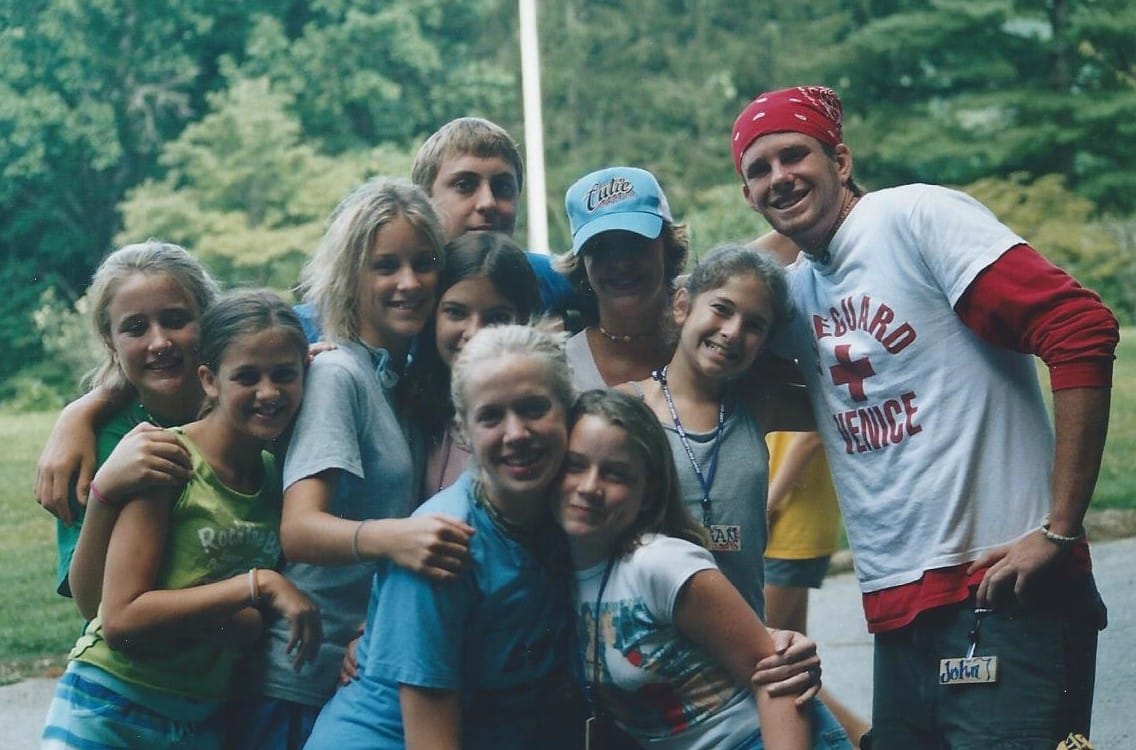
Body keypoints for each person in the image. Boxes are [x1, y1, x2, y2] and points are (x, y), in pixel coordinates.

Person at [731, 85, 1119, 748]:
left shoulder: (913, 218)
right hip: (897, 611)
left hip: (1003, 590)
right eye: (758, 171)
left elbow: (1078, 328)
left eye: (795, 155)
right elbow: (697, 310)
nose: (779, 177)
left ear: (842, 160)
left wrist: (1060, 528)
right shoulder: (795, 294)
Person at [226, 179, 475, 749]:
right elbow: (302, 527)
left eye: (423, 263)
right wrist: (398, 538)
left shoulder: (398, 381)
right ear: (351, 276)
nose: (408, 282)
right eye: (385, 266)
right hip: (294, 681)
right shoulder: (340, 375)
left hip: (360, 672)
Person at [41, 289, 322, 749]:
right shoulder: (168, 460)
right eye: (247, 376)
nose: (268, 392)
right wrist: (257, 586)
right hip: (113, 705)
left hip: (199, 717)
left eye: (284, 375)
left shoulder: (277, 476)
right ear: (209, 380)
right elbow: (121, 618)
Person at [304, 324, 580, 750]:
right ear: (464, 431)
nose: (517, 433)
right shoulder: (440, 543)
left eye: (534, 408)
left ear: (569, 411)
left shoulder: (574, 515)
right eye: (491, 416)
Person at [555, 389, 844, 749]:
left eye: (616, 474)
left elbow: (776, 679)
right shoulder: (552, 574)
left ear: (647, 493)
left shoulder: (659, 564)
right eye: (575, 465)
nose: (589, 487)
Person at [52, 241, 217, 614]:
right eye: (136, 328)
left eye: (176, 320)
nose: (160, 342)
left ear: (207, 318)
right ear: (110, 340)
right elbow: (92, 604)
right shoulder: (95, 443)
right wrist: (103, 491)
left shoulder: (247, 412)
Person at [757, 234, 869, 745]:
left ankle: (864, 739)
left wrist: (769, 502)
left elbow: (805, 437)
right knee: (790, 657)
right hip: (789, 519)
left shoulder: (810, 326)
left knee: (771, 662)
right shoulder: (776, 329)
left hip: (788, 521)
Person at [409, 230, 544, 497]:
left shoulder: (539, 419)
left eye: (496, 318)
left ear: (525, 320)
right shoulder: (409, 401)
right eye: (456, 312)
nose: (474, 332)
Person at [559, 166, 687, 389]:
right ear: (581, 264)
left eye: (635, 243)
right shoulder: (563, 371)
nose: (620, 263)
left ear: (667, 247)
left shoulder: (706, 340)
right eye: (600, 248)